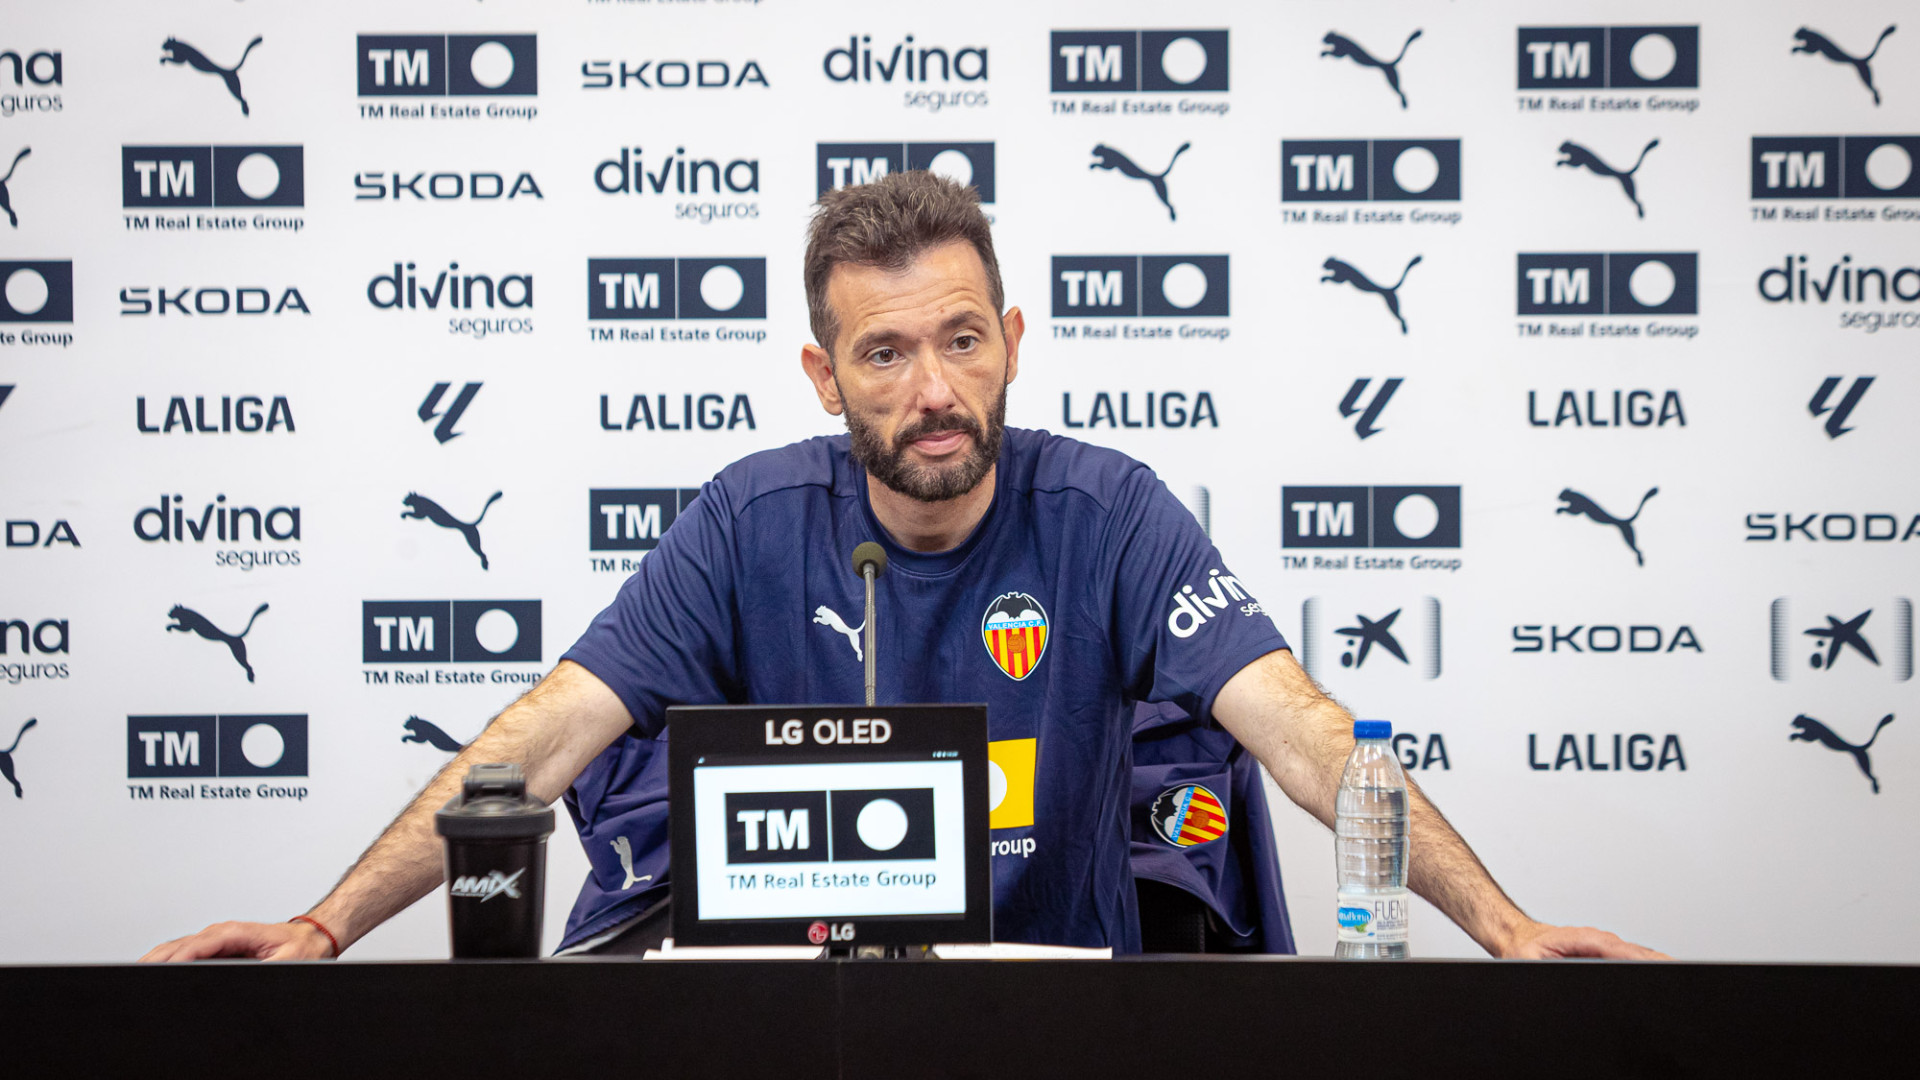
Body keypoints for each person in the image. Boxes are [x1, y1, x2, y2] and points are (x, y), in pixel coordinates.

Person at [144, 172, 1666, 962]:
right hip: (796, 1029)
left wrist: (1507, 928)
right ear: (825, 376)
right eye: (884, 353)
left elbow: (1307, 733)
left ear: (1011, 343)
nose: (933, 390)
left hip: (1058, 1025)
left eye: (960, 340)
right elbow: (533, 744)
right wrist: (324, 926)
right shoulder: (746, 521)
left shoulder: (1113, 512)